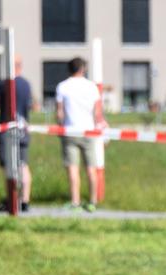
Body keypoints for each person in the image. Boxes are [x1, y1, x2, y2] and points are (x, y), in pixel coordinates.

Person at [56, 57, 106, 212]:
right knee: (91, 168)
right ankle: (92, 201)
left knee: (73, 169)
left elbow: (59, 113)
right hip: (89, 131)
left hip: (70, 131)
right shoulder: (92, 87)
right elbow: (98, 113)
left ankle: (75, 202)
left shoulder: (62, 86)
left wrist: (60, 127)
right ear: (83, 69)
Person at [0, 56, 34, 213]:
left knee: (8, 165)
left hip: (6, 129)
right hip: (23, 128)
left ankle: (12, 198)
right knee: (23, 164)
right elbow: (31, 104)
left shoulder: (3, 84)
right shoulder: (26, 84)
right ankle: (25, 200)